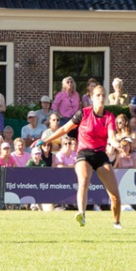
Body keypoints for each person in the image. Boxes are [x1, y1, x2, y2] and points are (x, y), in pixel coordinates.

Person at [37, 81, 125, 230]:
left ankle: (116, 223)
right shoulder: (83, 113)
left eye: (103, 95)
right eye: (98, 95)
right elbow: (64, 129)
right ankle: (82, 214)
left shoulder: (109, 116)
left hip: (100, 154)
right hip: (84, 153)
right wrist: (46, 140)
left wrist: (117, 144)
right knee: (84, 180)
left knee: (115, 194)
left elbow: (111, 137)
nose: (101, 98)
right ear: (92, 97)